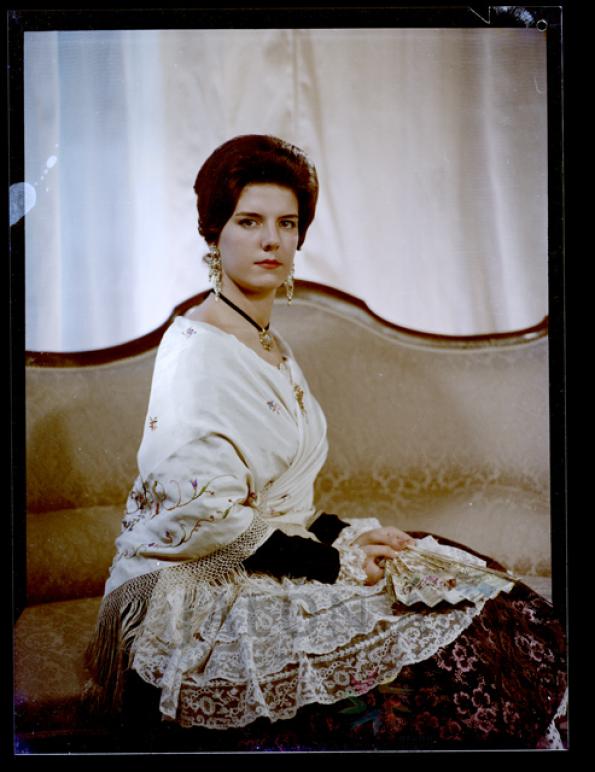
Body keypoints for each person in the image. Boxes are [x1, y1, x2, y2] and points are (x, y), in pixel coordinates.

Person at [84, 135, 567, 752]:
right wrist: (337, 563)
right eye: (249, 221)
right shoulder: (197, 352)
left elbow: (277, 494)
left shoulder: (268, 343)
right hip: (195, 591)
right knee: (452, 654)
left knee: (469, 581)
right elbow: (207, 517)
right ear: (213, 232)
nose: (271, 241)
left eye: (286, 224)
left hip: (259, 553)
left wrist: (342, 533)